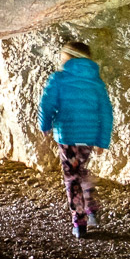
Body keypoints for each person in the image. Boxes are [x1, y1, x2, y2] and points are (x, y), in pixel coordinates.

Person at [38, 40, 113, 238]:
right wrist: (101, 141)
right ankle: (91, 208)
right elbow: (106, 112)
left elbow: (47, 104)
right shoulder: (96, 82)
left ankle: (79, 223)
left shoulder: (59, 78)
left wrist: (44, 125)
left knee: (72, 178)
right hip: (88, 138)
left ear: (68, 57)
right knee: (78, 170)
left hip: (68, 137)